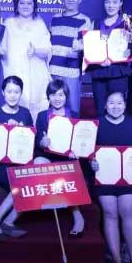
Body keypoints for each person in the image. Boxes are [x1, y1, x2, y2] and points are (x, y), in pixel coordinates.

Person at [89, 92, 132, 263]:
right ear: (105, 105)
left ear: (125, 105)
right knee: (110, 213)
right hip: (104, 177)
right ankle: (117, 259)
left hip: (128, 177)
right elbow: (88, 152)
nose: (115, 106)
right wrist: (92, 162)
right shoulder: (96, 124)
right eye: (111, 103)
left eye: (119, 103)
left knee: (128, 211)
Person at [34, 79, 85, 236]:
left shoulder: (74, 115)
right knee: (39, 162)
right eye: (53, 94)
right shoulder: (42, 116)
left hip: (66, 158)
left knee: (71, 168)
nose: (57, 98)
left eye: (61, 95)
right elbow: (37, 140)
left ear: (66, 96)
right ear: (48, 97)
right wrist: (42, 142)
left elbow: (80, 141)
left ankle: (77, 214)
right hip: (47, 156)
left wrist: (76, 150)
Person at [0, 76, 33, 239]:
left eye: (16, 92)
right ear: (3, 93)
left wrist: (21, 131)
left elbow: (31, 142)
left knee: (32, 178)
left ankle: (8, 221)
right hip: (2, 165)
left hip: (20, 162)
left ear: (21, 93)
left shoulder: (25, 113)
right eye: (9, 92)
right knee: (23, 180)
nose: (13, 95)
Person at [0, 0, 52, 121]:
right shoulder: (9, 23)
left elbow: (47, 50)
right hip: (13, 70)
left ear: (34, 5)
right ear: (16, 5)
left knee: (35, 108)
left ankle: (34, 133)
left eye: (29, 3)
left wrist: (35, 51)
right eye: (22, 3)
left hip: (36, 74)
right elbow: (2, 49)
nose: (25, 6)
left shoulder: (40, 24)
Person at [48, 0, 92, 116]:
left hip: (71, 71)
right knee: (52, 109)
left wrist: (82, 47)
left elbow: (89, 48)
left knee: (73, 109)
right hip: (53, 71)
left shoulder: (85, 20)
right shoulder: (55, 18)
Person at [87, 0, 130, 117]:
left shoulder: (127, 24)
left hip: (118, 72)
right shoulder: (95, 23)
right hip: (99, 72)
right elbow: (90, 47)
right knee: (100, 109)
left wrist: (129, 51)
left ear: (121, 3)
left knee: (117, 110)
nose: (111, 5)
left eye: (115, 2)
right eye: (107, 2)